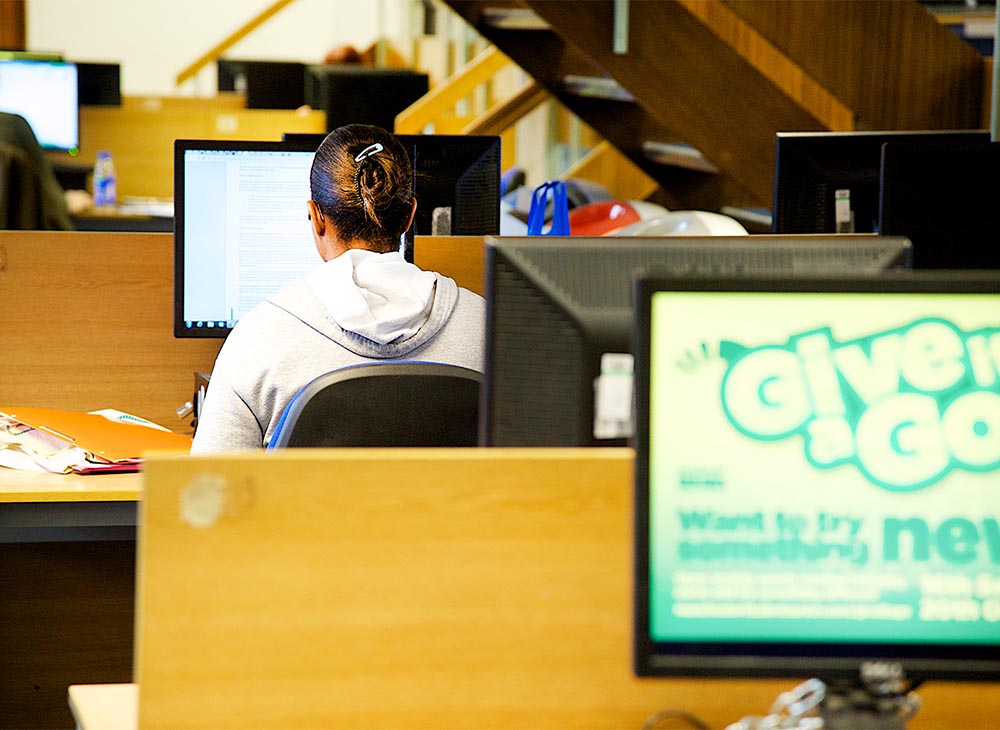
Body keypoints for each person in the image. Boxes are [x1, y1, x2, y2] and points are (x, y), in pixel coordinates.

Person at [191, 124, 486, 452]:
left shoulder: (258, 337)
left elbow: (208, 492)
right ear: (409, 217)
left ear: (315, 217)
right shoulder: (487, 327)